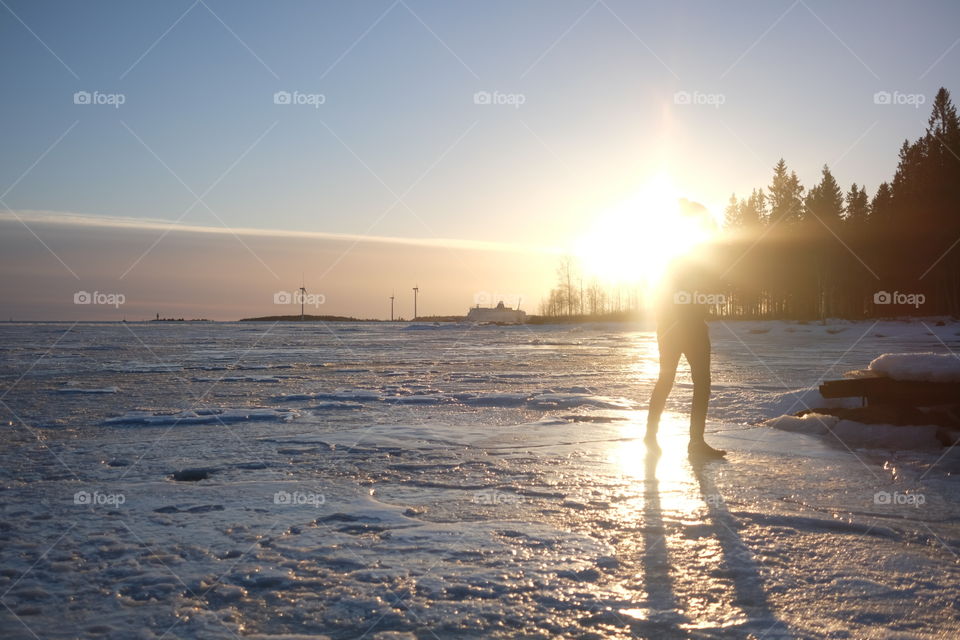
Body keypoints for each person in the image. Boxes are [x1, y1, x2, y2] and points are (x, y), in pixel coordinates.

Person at [645, 199, 726, 459]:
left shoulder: (685, 253)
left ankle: (685, 440)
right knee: (681, 381)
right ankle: (678, 440)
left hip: (682, 327)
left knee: (686, 381)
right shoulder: (682, 252)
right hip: (680, 327)